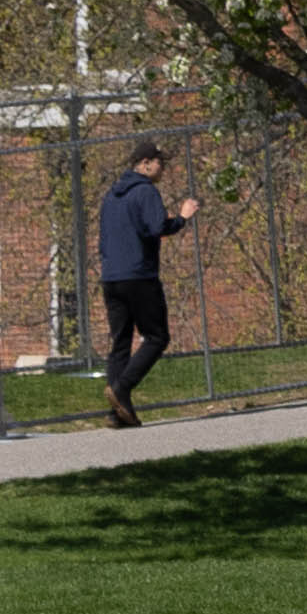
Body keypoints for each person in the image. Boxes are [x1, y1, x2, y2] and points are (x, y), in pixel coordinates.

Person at [92, 140, 197, 429]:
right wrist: (182, 218)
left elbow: (103, 239)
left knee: (120, 343)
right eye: (159, 162)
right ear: (145, 163)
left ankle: (118, 413)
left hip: (111, 277)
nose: (162, 168)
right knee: (157, 337)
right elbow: (157, 228)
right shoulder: (145, 191)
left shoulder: (111, 196)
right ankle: (122, 388)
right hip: (139, 276)